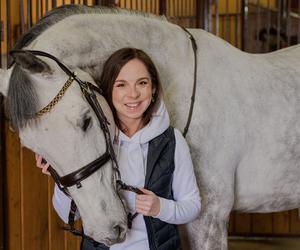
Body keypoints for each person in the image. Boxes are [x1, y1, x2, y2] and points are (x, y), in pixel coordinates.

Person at [36, 48, 201, 250]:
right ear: (109, 90)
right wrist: (62, 179)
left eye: (142, 83)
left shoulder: (172, 141)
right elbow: (68, 213)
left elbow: (193, 206)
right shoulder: (90, 141)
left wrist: (161, 207)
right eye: (121, 85)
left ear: (154, 88)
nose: (133, 94)